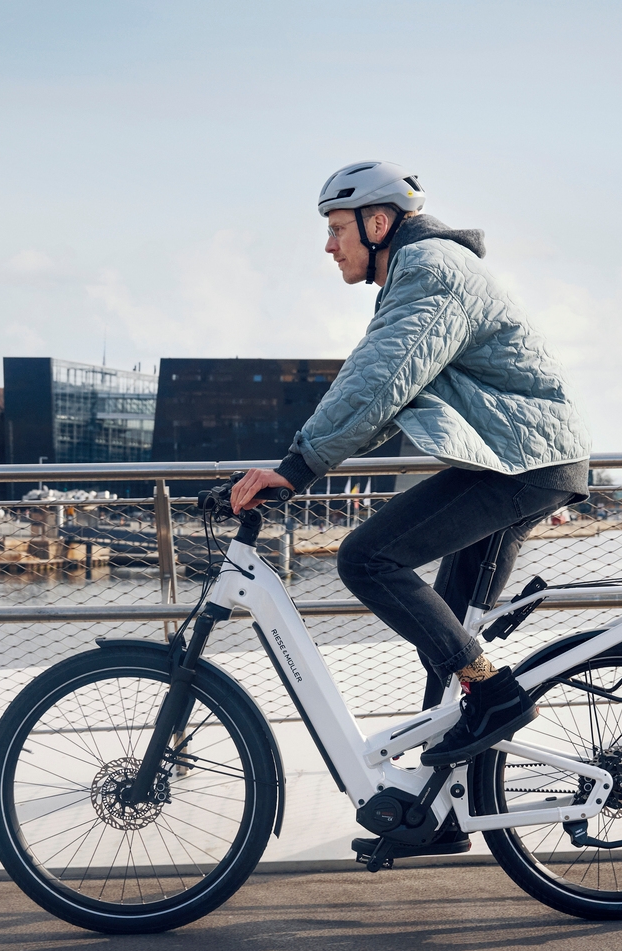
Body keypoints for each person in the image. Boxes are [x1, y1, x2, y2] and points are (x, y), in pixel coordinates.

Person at [231, 161, 591, 855]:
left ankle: (496, 695)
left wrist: (297, 467)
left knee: (367, 559)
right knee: (447, 640)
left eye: (337, 228)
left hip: (524, 463)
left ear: (378, 222)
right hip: (519, 460)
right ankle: (441, 815)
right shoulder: (420, 272)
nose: (329, 245)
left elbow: (378, 381)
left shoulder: (429, 271)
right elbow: (384, 389)